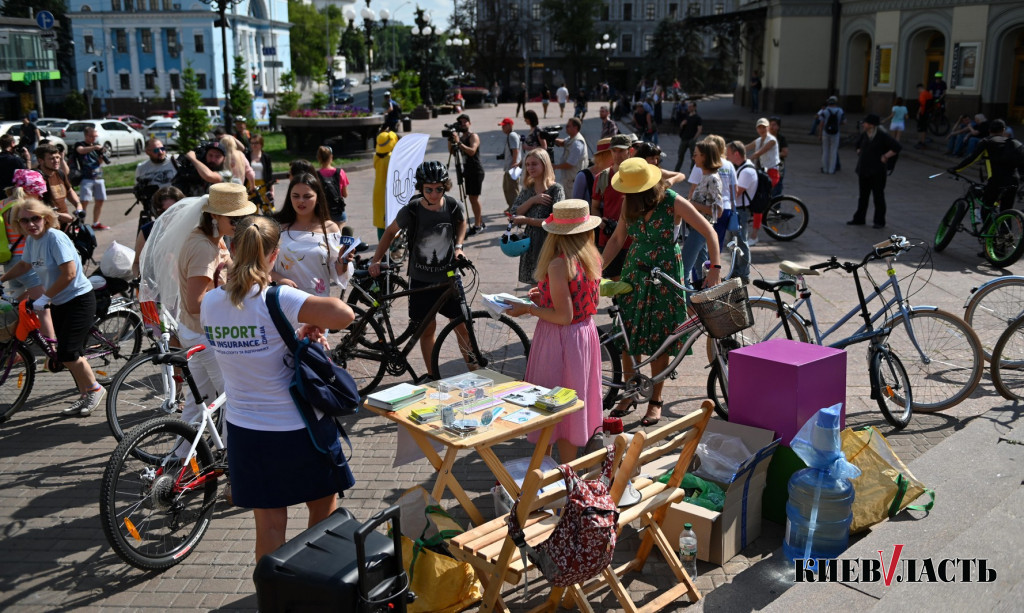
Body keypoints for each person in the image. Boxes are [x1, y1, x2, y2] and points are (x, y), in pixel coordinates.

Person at [199, 214, 355, 560]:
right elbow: (344, 314)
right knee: (323, 512)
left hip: (244, 430)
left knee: (269, 526)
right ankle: (315, 585)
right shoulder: (279, 299)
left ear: (233, 249)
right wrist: (307, 322)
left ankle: (274, 597)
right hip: (298, 427)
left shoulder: (209, 303)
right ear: (275, 254)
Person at [600, 158, 721, 426]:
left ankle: (655, 401)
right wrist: (598, 269)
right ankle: (630, 393)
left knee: (660, 336)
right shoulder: (628, 202)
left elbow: (709, 230)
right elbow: (618, 238)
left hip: (664, 273)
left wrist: (715, 267)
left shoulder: (673, 201)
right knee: (628, 333)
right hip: (634, 271)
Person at [504, 200, 603, 462]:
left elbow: (563, 316)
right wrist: (544, 297)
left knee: (550, 406)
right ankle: (568, 480)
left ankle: (547, 477)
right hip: (584, 335)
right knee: (570, 408)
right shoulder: (590, 256)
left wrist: (527, 309)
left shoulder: (559, 265)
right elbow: (584, 302)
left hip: (559, 340)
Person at [0, 197, 104, 417]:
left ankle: (95, 389)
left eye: (35, 218)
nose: (31, 224)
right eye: (25, 221)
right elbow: (24, 264)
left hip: (78, 299)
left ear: (45, 218)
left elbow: (69, 274)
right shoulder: (31, 240)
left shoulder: (54, 238)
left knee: (69, 353)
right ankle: (85, 394)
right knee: (68, 353)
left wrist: (45, 297)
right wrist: (2, 279)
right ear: (19, 224)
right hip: (58, 301)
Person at [368, 161, 467, 377]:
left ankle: (475, 369)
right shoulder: (412, 210)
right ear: (421, 188)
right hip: (421, 279)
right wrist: (376, 259)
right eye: (428, 189)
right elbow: (389, 232)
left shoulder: (452, 205)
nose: (433, 194)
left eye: (438, 189)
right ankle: (433, 376)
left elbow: (462, 222)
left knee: (462, 326)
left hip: (449, 276)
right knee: (427, 329)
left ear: (445, 186)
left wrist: (459, 247)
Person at [177, 183, 257, 426]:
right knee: (235, 400)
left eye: (243, 217)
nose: (240, 223)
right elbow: (194, 303)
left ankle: (181, 459)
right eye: (233, 218)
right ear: (213, 215)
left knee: (197, 401)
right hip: (205, 335)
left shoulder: (215, 240)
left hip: (196, 331)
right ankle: (231, 459)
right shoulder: (203, 248)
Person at [272, 173, 349, 297]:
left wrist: (343, 260)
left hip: (318, 302)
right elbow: (262, 267)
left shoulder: (330, 229)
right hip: (284, 300)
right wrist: (280, 279)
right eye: (296, 196)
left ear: (318, 198)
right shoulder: (278, 227)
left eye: (307, 196)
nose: (301, 201)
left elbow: (338, 272)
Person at [2, 170, 55, 338]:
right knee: (43, 307)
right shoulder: (22, 208)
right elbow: (35, 235)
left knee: (19, 307)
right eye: (38, 192)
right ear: (29, 190)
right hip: (25, 262)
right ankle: (53, 352)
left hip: (9, 261)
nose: (39, 197)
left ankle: (14, 348)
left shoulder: (3, 203)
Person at [510, 149, 565, 285]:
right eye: (527, 164)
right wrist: (533, 200)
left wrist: (527, 220)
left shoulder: (556, 189)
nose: (530, 168)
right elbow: (513, 214)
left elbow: (556, 221)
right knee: (535, 288)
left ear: (544, 165)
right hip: (531, 244)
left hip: (549, 244)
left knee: (550, 284)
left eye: (534, 164)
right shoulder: (528, 189)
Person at [950, 119, 1021, 213]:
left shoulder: (987, 141)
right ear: (1003, 130)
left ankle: (991, 225)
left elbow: (972, 158)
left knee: (986, 210)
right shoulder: (1016, 143)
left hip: (996, 181)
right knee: (1006, 211)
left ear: (989, 130)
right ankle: (1004, 226)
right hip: (1014, 180)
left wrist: (956, 169)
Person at [681, 139, 725, 288]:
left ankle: (688, 306)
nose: (693, 158)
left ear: (705, 157)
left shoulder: (712, 179)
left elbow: (718, 211)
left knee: (683, 271)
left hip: (700, 229)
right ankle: (704, 304)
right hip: (697, 228)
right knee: (700, 272)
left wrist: (691, 204)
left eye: (696, 154)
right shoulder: (705, 176)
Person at [848, 114, 901, 229]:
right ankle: (859, 218)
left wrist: (886, 156)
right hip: (863, 170)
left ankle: (879, 221)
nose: (863, 124)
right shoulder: (865, 134)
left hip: (877, 171)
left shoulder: (882, 135)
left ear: (871, 125)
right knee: (863, 196)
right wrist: (859, 150)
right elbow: (857, 143)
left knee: (878, 196)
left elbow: (897, 147)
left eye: (865, 123)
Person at [591, 134, 633, 279]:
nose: (617, 154)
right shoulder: (602, 177)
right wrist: (600, 222)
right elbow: (594, 207)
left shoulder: (637, 176)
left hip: (633, 238)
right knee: (614, 283)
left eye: (621, 150)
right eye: (614, 150)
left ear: (630, 151)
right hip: (609, 237)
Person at [131, 186, 184, 278]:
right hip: (156, 286)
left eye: (174, 210)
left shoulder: (191, 229)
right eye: (163, 211)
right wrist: (141, 279)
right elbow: (136, 263)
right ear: (156, 212)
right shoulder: (147, 231)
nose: (169, 215)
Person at [745, 118, 780, 244]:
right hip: (762, 173)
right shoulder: (759, 140)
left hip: (771, 174)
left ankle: (754, 236)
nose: (762, 129)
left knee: (758, 202)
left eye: (764, 127)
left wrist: (749, 158)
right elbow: (745, 147)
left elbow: (759, 152)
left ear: (768, 128)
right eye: (759, 127)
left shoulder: (771, 140)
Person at [449, 114, 485, 235]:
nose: (463, 124)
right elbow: (452, 152)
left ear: (469, 123)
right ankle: (479, 221)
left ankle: (478, 225)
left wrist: (459, 143)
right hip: (467, 171)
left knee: (474, 198)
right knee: (471, 198)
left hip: (476, 170)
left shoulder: (473, 136)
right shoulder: (460, 137)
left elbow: (472, 151)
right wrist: (451, 140)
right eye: (461, 122)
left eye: (465, 122)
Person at [726, 141, 755, 281]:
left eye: (728, 154)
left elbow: (735, 193)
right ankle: (736, 270)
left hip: (741, 211)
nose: (726, 156)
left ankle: (743, 273)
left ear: (736, 153)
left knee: (742, 242)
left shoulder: (747, 171)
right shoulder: (741, 168)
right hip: (737, 210)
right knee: (734, 241)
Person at [35, 143, 81, 226]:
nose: (56, 161)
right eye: (52, 158)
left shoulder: (60, 173)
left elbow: (69, 191)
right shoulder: (35, 178)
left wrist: (78, 204)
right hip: (46, 226)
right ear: (40, 160)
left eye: (57, 157)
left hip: (64, 224)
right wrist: (57, 215)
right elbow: (32, 205)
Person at [75, 126, 109, 230]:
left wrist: (101, 157)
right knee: (84, 201)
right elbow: (80, 151)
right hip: (86, 178)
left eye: (95, 136)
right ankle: (80, 224)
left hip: (98, 177)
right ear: (86, 135)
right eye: (92, 136)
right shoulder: (80, 145)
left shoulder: (96, 147)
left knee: (100, 200)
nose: (94, 139)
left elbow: (99, 162)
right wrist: (94, 147)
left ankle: (95, 223)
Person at [316, 145, 350, 227]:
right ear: (331, 157)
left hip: (323, 212)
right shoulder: (340, 172)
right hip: (338, 212)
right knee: (338, 236)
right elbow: (345, 194)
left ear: (319, 158)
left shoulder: (316, 175)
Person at [373, 130, 397, 240]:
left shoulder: (376, 158)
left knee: (380, 220)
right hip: (389, 193)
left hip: (378, 192)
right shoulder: (391, 159)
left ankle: (381, 242)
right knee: (391, 218)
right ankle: (391, 246)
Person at [553, 117, 588, 193]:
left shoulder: (577, 144)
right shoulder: (572, 138)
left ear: (575, 127)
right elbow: (564, 143)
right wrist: (552, 139)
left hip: (573, 183)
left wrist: (555, 166)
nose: (566, 128)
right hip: (569, 180)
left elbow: (570, 164)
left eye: (568, 126)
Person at [573, 137, 612, 202]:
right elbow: (576, 204)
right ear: (603, 156)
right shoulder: (583, 176)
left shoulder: (615, 173)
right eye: (613, 153)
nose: (617, 157)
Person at [498, 117, 521, 208]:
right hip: (510, 167)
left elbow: (515, 150)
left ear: (510, 125)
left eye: (504, 126)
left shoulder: (512, 135)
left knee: (512, 189)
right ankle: (512, 206)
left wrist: (514, 164)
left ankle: (516, 208)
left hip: (512, 167)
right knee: (507, 188)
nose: (502, 128)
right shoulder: (511, 135)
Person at [818, 96, 844, 174]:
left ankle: (825, 169)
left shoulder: (825, 111)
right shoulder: (840, 111)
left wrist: (820, 134)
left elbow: (821, 123)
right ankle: (832, 170)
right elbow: (844, 122)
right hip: (836, 133)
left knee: (825, 150)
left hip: (826, 132)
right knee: (834, 151)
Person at [675, 101, 703, 173]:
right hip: (684, 138)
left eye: (690, 106)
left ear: (694, 107)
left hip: (691, 139)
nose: (689, 108)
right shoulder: (686, 116)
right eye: (688, 106)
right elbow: (681, 127)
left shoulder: (697, 118)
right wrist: (682, 124)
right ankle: (676, 170)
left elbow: (699, 129)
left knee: (693, 157)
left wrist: (694, 139)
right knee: (680, 155)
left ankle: (692, 171)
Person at [248, 133, 274, 203]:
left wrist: (272, 190)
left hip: (263, 184)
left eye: (256, 143)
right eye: (252, 143)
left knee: (268, 208)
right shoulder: (247, 156)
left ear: (261, 144)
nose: (254, 145)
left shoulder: (266, 157)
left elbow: (270, 174)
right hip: (250, 184)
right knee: (252, 208)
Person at [768, 116, 789, 197]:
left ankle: (776, 206)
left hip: (778, 166)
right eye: (770, 125)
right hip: (766, 165)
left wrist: (773, 153)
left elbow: (785, 153)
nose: (772, 127)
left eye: (774, 125)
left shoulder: (781, 138)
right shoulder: (764, 138)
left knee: (777, 185)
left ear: (778, 127)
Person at [914, 83, 933, 150]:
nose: (918, 91)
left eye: (918, 90)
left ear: (919, 88)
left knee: (921, 128)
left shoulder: (922, 94)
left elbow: (922, 105)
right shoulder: (928, 94)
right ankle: (922, 141)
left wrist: (918, 113)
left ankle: (921, 142)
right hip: (927, 113)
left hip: (923, 114)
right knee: (924, 128)